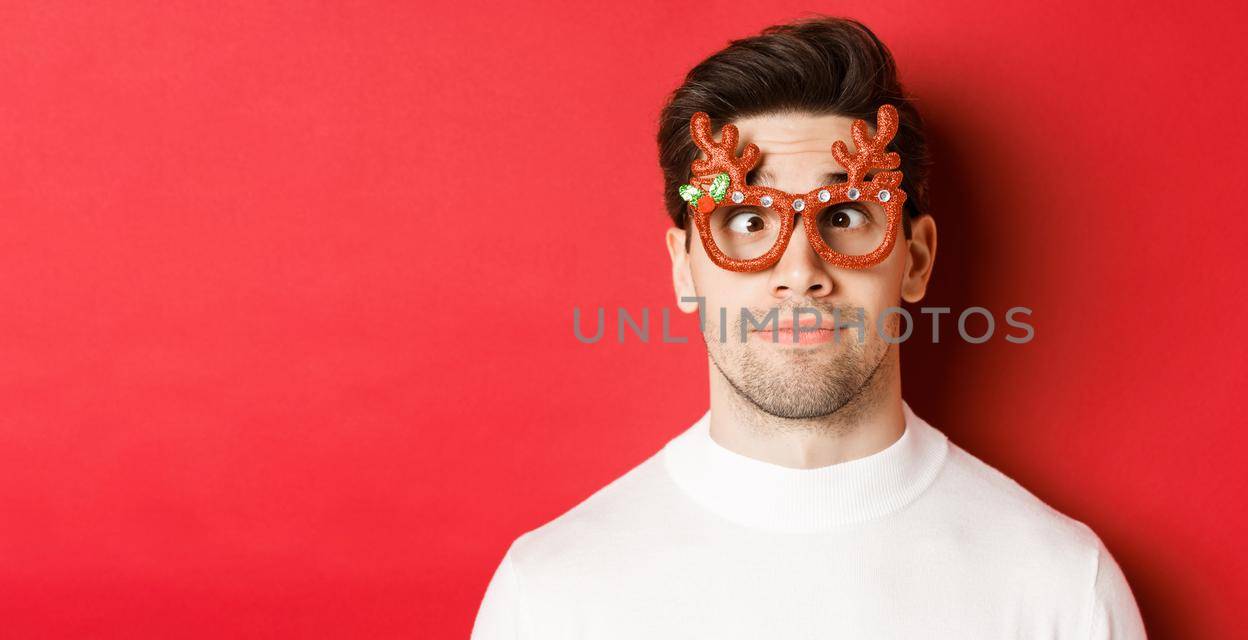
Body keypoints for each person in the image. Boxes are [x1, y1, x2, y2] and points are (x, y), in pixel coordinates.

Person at [471, 16, 1146, 639]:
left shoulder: (1059, 588)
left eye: (846, 216)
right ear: (685, 269)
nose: (800, 272)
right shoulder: (552, 596)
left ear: (914, 260)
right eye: (747, 220)